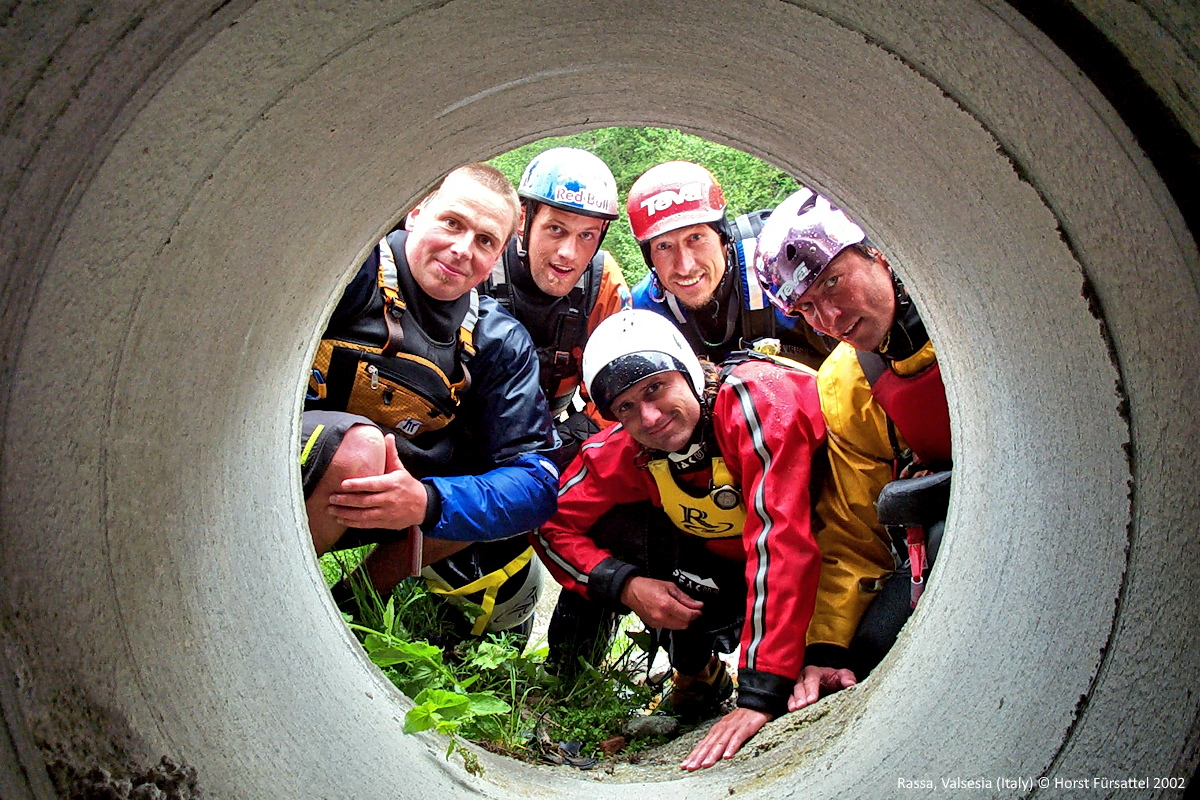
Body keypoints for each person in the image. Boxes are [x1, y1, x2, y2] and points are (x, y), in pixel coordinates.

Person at [532, 309, 845, 772]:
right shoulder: (628, 449)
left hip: (836, 564)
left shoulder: (757, 402)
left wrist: (761, 691)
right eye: (626, 408)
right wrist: (627, 586)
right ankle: (698, 674)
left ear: (687, 368)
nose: (650, 417)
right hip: (733, 571)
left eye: (654, 388)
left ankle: (801, 654)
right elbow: (550, 521)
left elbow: (781, 541)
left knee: (842, 665)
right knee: (611, 526)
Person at [301, 163, 561, 637]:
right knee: (359, 450)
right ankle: (281, 590)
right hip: (276, 467)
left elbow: (536, 483)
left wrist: (427, 500)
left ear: (500, 254)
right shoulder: (345, 269)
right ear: (416, 213)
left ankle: (354, 605)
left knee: (478, 490)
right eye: (452, 222)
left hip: (384, 501)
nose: (462, 250)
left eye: (485, 240)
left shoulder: (497, 338)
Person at [754, 186, 952, 686]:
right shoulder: (846, 381)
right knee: (865, 652)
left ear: (879, 250)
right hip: (940, 532)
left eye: (833, 282)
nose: (831, 320)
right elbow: (851, 528)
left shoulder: (968, 308)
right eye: (807, 309)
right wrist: (825, 647)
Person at [480, 147, 632, 464]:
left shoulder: (602, 282)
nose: (569, 253)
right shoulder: (482, 259)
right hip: (468, 431)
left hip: (558, 439)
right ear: (524, 219)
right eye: (556, 229)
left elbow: (621, 396)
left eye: (587, 235)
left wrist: (562, 448)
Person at [626, 160, 830, 367]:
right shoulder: (647, 309)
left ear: (723, 235)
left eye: (695, 238)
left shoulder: (781, 263)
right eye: (663, 247)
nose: (685, 266)